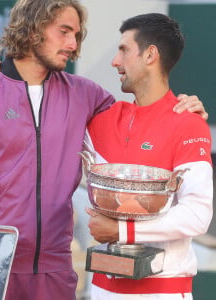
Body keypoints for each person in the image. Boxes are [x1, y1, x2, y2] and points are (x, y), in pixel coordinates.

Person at [0, 0, 207, 299]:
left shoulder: (86, 95)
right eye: (64, 32)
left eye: (76, 34)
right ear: (33, 28)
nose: (72, 44)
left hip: (55, 270)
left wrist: (184, 107)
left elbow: (143, 117)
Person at [85, 13, 213, 300]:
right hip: (102, 290)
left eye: (124, 50)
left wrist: (122, 231)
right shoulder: (103, 119)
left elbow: (197, 215)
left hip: (161, 292)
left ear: (150, 55)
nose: (115, 61)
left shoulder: (188, 123)